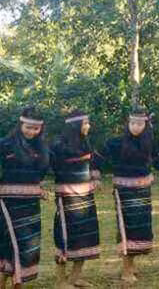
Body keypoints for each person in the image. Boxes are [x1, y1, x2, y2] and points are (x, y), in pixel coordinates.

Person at [95, 109, 159, 283]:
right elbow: (98, 157)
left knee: (141, 227)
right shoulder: (115, 143)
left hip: (143, 191)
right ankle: (125, 269)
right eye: (132, 123)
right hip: (123, 192)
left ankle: (131, 264)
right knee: (126, 227)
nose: (135, 127)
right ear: (128, 123)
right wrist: (96, 175)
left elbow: (156, 159)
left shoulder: (150, 143)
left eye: (139, 124)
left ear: (145, 125)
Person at [50, 110, 102, 289]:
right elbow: (48, 165)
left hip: (86, 197)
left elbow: (92, 162)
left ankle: (75, 277)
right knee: (66, 237)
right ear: (75, 125)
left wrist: (95, 176)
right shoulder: (58, 144)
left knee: (86, 235)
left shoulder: (85, 142)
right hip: (67, 198)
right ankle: (60, 281)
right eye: (85, 123)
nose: (88, 126)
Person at [0, 107, 50, 288]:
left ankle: (18, 284)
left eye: (35, 129)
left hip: (31, 205)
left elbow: (39, 174)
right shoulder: (4, 144)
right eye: (28, 127)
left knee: (27, 246)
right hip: (8, 204)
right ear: (21, 124)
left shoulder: (42, 148)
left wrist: (39, 188)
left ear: (41, 129)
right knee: (8, 243)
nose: (31, 132)